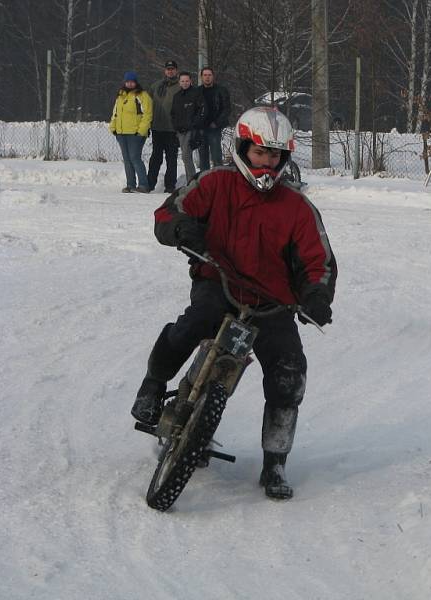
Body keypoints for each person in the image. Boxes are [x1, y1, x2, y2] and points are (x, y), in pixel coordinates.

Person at [131, 106, 337, 500]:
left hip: (273, 303)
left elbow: (319, 261)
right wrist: (180, 228)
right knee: (193, 324)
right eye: (260, 153)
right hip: (218, 282)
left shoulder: (297, 206)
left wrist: (316, 295)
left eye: (274, 155)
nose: (267, 162)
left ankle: (275, 462)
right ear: (242, 148)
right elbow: (168, 212)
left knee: (289, 374)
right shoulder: (214, 183)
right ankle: (153, 386)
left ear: (284, 158)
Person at [109, 71, 153, 193]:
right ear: (125, 82)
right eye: (127, 81)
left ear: (136, 82)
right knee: (127, 159)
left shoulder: (142, 95)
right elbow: (115, 112)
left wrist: (141, 130)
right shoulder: (120, 95)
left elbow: (147, 114)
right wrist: (113, 127)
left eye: (132, 81)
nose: (129, 84)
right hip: (121, 133)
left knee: (135, 158)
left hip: (135, 134)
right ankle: (131, 184)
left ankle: (144, 184)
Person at [147, 60, 181, 193]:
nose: (170, 71)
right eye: (168, 69)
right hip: (157, 128)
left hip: (173, 129)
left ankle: (170, 185)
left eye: (172, 69)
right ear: (165, 71)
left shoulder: (180, 86)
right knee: (155, 157)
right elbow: (147, 104)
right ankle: (149, 184)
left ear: (176, 71)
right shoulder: (156, 86)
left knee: (171, 158)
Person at [170, 71, 206, 184]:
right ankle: (190, 180)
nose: (185, 83)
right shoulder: (177, 96)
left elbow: (202, 111)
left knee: (186, 155)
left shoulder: (196, 94)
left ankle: (192, 181)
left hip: (192, 130)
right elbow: (173, 113)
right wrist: (176, 127)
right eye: (182, 81)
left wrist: (194, 125)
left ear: (191, 81)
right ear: (179, 83)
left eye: (187, 81)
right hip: (180, 131)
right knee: (186, 157)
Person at [197, 66, 231, 171]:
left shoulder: (221, 90)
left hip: (214, 128)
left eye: (209, 75)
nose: (207, 77)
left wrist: (217, 123)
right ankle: (204, 182)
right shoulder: (197, 91)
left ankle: (219, 181)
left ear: (213, 76)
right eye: (205, 75)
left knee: (216, 157)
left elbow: (227, 109)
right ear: (201, 77)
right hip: (201, 128)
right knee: (203, 159)